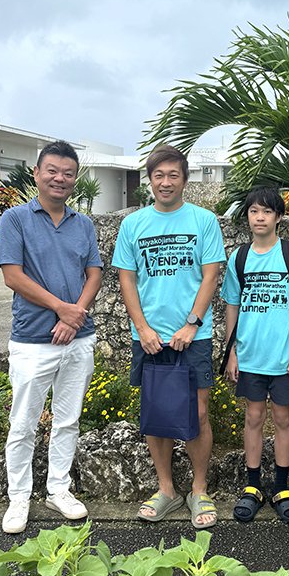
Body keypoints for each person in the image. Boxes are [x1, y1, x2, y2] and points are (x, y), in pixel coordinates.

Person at [112, 144, 225, 528]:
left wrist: (192, 323)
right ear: (150, 180)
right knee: (157, 414)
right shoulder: (133, 224)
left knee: (198, 411)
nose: (165, 182)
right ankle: (166, 490)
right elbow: (126, 278)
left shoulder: (204, 221)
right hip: (148, 337)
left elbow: (211, 274)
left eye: (173, 175)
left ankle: (198, 489)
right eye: (158, 175)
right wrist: (142, 328)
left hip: (196, 335)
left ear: (185, 179)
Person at [0, 140, 102, 534]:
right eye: (52, 171)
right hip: (31, 341)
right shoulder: (15, 219)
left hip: (78, 339)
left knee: (67, 420)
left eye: (68, 173)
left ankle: (59, 489)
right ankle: (19, 496)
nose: (60, 178)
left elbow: (94, 273)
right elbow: (13, 275)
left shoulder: (83, 224)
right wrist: (62, 308)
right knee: (22, 423)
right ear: (37, 173)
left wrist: (74, 318)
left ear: (75, 179)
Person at [222, 187, 289, 524]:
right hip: (249, 356)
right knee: (254, 417)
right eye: (254, 212)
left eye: (267, 212)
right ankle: (252, 486)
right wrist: (231, 352)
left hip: (285, 356)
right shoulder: (239, 258)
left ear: (279, 217)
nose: (260, 218)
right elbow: (232, 304)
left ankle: (283, 488)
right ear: (247, 216)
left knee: (283, 419)